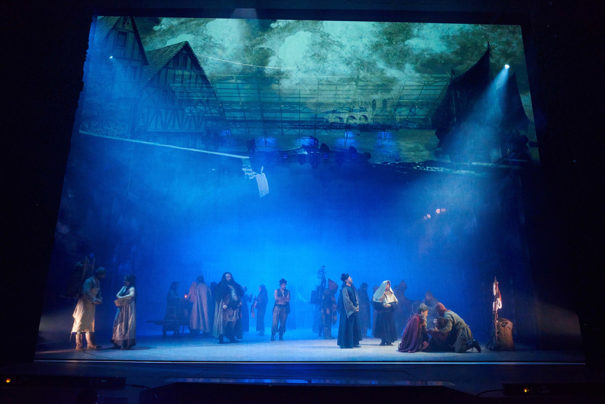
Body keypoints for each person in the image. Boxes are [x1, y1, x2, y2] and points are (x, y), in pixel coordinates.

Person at [71, 267, 106, 351]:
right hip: (84, 304)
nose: (103, 277)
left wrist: (100, 299)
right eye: (103, 275)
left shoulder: (97, 282)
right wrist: (93, 299)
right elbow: (85, 291)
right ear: (99, 274)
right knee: (80, 323)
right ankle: (78, 345)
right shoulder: (89, 281)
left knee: (90, 324)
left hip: (91, 305)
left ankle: (90, 344)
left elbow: (99, 292)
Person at [213, 272, 244, 344]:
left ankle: (231, 337)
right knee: (224, 323)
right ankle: (221, 338)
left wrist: (239, 301)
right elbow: (218, 296)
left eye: (230, 276)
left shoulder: (235, 285)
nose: (228, 278)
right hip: (226, 307)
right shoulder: (221, 285)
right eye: (227, 277)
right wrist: (222, 304)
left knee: (233, 322)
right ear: (224, 277)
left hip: (234, 306)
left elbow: (239, 293)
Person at [337, 273, 362, 349]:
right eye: (350, 278)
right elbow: (347, 301)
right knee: (347, 326)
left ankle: (353, 342)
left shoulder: (351, 288)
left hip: (353, 310)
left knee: (353, 326)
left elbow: (355, 299)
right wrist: (354, 308)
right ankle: (347, 343)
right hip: (347, 312)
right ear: (346, 280)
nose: (351, 278)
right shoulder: (345, 289)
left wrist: (357, 306)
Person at [112, 274, 136, 349]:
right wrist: (121, 294)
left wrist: (122, 297)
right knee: (118, 322)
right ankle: (118, 342)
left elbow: (132, 295)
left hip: (128, 308)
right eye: (124, 281)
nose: (125, 282)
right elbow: (117, 295)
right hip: (122, 307)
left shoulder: (132, 288)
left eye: (126, 281)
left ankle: (126, 343)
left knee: (127, 323)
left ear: (130, 281)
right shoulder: (124, 287)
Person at [372, 280, 399, 345]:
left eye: (388, 284)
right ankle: (383, 340)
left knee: (389, 327)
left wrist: (391, 305)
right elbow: (375, 303)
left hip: (389, 314)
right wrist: (382, 305)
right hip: (382, 313)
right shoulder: (379, 293)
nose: (387, 286)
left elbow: (395, 303)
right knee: (382, 328)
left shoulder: (391, 293)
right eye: (386, 284)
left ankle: (389, 340)